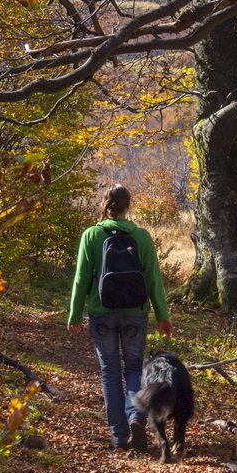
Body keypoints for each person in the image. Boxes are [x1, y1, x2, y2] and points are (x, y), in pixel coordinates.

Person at [67, 184, 174, 451]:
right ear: (129, 206)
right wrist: (162, 315)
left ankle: (118, 436)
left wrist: (75, 314)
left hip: (101, 312)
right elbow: (153, 279)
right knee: (135, 368)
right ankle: (136, 415)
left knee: (110, 372)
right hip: (135, 313)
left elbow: (81, 278)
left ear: (104, 204)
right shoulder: (142, 236)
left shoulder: (91, 235)